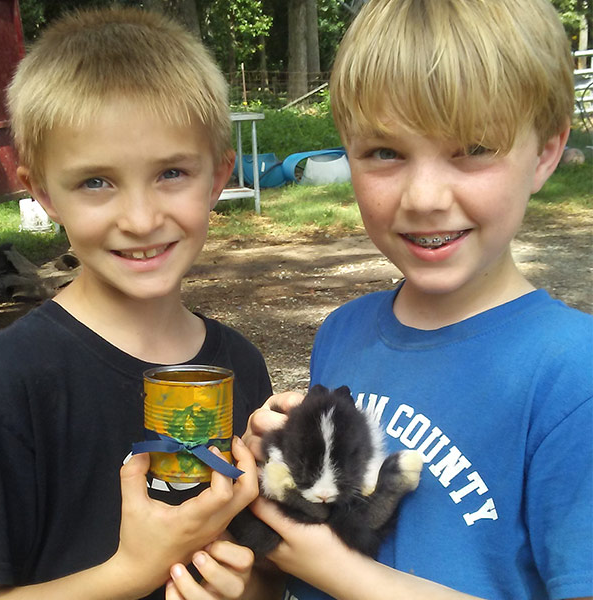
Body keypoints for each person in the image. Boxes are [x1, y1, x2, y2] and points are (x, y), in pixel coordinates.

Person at [244, 0, 593, 598]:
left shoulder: (573, 376)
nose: (425, 197)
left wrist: (330, 567)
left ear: (544, 153)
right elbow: (316, 544)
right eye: (385, 152)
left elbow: (330, 565)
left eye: (474, 148)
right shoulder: (342, 332)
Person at [0, 7, 274, 599]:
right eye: (96, 181)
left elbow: (266, 571)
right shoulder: (10, 379)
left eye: (171, 172)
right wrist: (132, 572)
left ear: (218, 176)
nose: (142, 219)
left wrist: (244, 590)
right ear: (43, 193)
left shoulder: (242, 366)